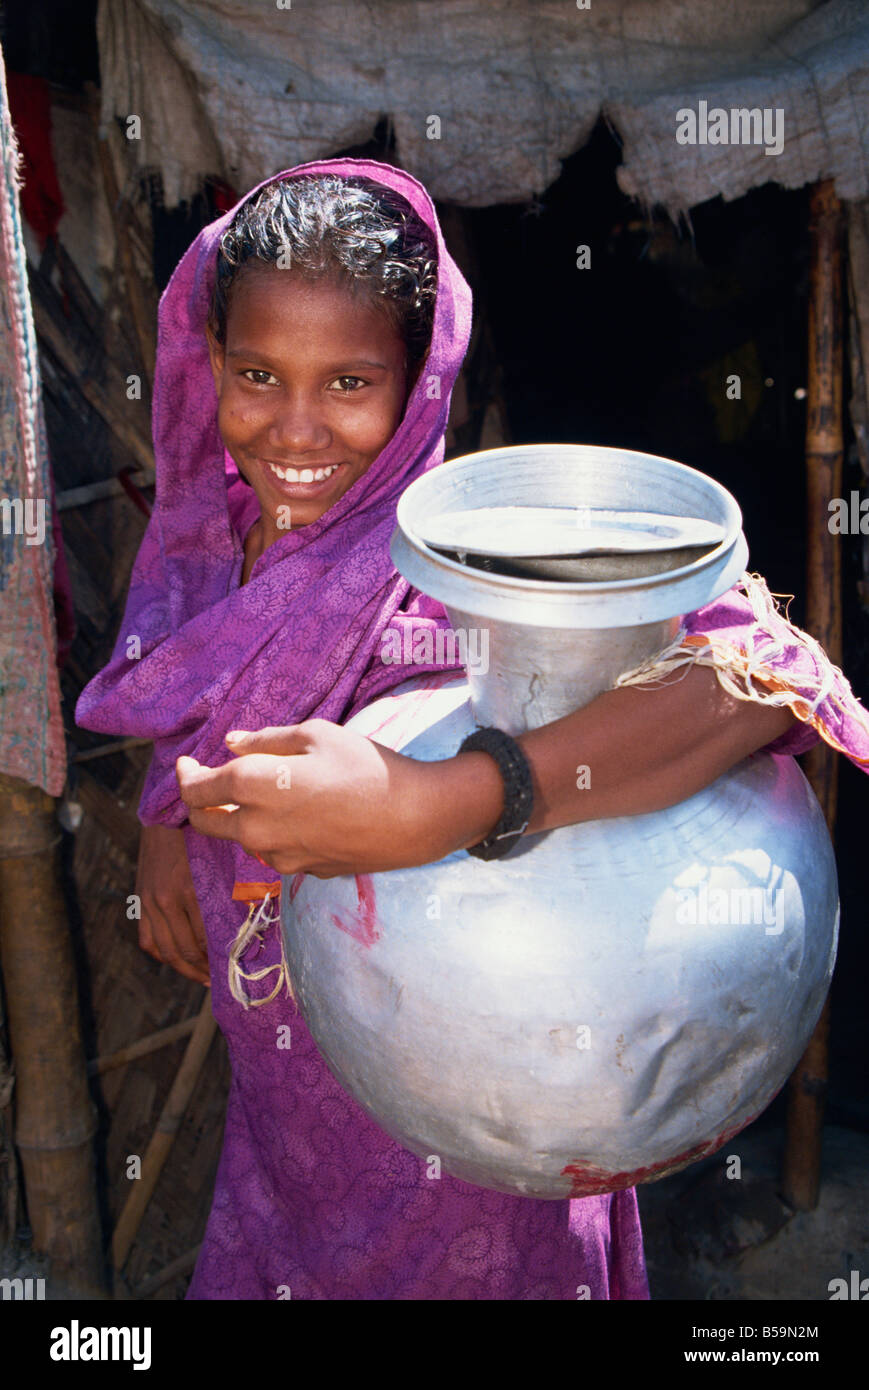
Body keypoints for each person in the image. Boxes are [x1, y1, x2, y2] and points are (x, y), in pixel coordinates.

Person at [77, 158, 869, 1300]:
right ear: (210, 369)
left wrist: (446, 798)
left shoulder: (475, 571)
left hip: (483, 1119)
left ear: (420, 379)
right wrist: (166, 816)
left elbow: (757, 674)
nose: (293, 428)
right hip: (289, 1105)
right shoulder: (216, 531)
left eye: (348, 381)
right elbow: (184, 674)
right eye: (257, 373)